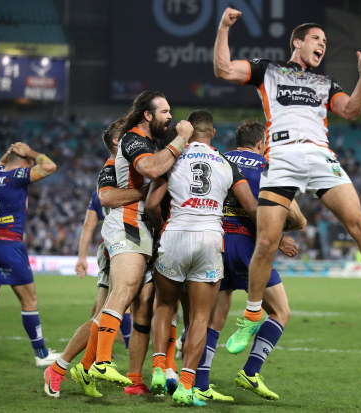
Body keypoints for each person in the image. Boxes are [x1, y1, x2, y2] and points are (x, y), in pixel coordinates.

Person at [213, 7, 361, 352]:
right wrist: (223, 28)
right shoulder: (268, 70)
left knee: (360, 224)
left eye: (326, 41)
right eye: (316, 38)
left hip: (319, 157)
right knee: (267, 240)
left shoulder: (325, 83)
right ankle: (252, 317)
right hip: (281, 155)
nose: (322, 44)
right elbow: (224, 69)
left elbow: (351, 111)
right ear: (297, 42)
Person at [145, 109, 258, 407]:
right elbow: (251, 207)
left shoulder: (175, 157)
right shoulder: (226, 163)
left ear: (188, 130)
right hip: (210, 239)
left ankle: (158, 368)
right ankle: (185, 385)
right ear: (213, 133)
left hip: (176, 234)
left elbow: (152, 203)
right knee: (199, 318)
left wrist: (160, 226)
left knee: (165, 305)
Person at [87, 90, 194, 387]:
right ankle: (99, 362)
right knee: (124, 292)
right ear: (148, 115)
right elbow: (148, 170)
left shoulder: (149, 143)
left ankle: (135, 377)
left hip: (144, 229)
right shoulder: (133, 139)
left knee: (145, 302)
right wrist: (180, 139)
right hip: (127, 225)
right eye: (165, 111)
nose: (171, 116)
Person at [193, 120, 306, 402]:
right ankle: (251, 371)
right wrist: (280, 235)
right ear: (260, 143)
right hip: (248, 248)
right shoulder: (268, 166)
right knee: (280, 312)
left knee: (212, 320)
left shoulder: (217, 158)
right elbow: (297, 219)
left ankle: (201, 383)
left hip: (214, 245)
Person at [43, 119, 150, 398]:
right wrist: (145, 193)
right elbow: (97, 211)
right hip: (118, 242)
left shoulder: (131, 168)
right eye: (128, 136)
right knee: (105, 314)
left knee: (108, 314)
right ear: (118, 143)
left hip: (129, 241)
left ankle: (82, 367)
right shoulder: (112, 166)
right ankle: (64, 366)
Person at [0, 142, 60, 371]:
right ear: (23, 164)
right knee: (30, 300)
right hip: (9, 245)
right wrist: (30, 152)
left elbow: (2, 162)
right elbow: (50, 166)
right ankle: (41, 354)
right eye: (29, 164)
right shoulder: (16, 177)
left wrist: (10, 151)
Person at [74, 189, 132, 351]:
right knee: (121, 301)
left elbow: (88, 226)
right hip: (132, 247)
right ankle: (120, 350)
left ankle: (98, 354)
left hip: (109, 248)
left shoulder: (100, 193)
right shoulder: (134, 189)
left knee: (103, 306)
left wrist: (82, 257)